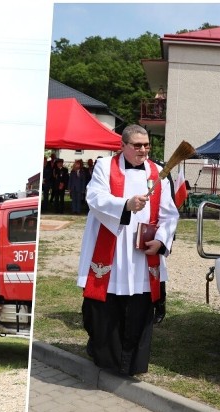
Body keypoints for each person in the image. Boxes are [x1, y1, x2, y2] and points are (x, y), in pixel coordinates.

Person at [77, 124, 179, 376]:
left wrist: (162, 241)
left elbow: (169, 214)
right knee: (104, 308)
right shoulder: (105, 166)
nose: (143, 150)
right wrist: (125, 204)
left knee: (138, 308)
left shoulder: (158, 173)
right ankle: (108, 359)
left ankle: (132, 363)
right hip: (111, 245)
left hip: (141, 254)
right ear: (122, 146)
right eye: (137, 145)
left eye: (146, 145)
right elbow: (94, 198)